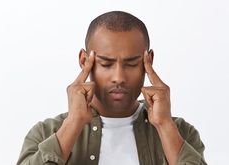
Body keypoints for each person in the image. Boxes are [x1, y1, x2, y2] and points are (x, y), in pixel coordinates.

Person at [17, 11, 207, 165]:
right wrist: (73, 123)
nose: (119, 78)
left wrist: (165, 125)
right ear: (85, 61)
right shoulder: (46, 133)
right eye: (106, 64)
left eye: (131, 64)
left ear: (148, 61)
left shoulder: (181, 132)